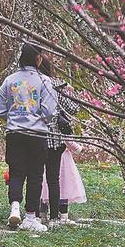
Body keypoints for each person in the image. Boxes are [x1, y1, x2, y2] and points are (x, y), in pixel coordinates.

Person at [0, 43, 58, 231]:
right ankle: (30, 217)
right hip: (37, 134)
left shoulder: (10, 80)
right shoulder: (45, 81)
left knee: (16, 172)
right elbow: (49, 111)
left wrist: (13, 115)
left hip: (14, 133)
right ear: (38, 59)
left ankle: (14, 208)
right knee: (35, 175)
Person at [38, 58, 83, 227]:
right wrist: (69, 91)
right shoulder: (56, 86)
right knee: (53, 178)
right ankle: (55, 217)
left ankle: (35, 214)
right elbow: (73, 109)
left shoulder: (28, 84)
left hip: (34, 136)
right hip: (54, 140)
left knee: (36, 177)